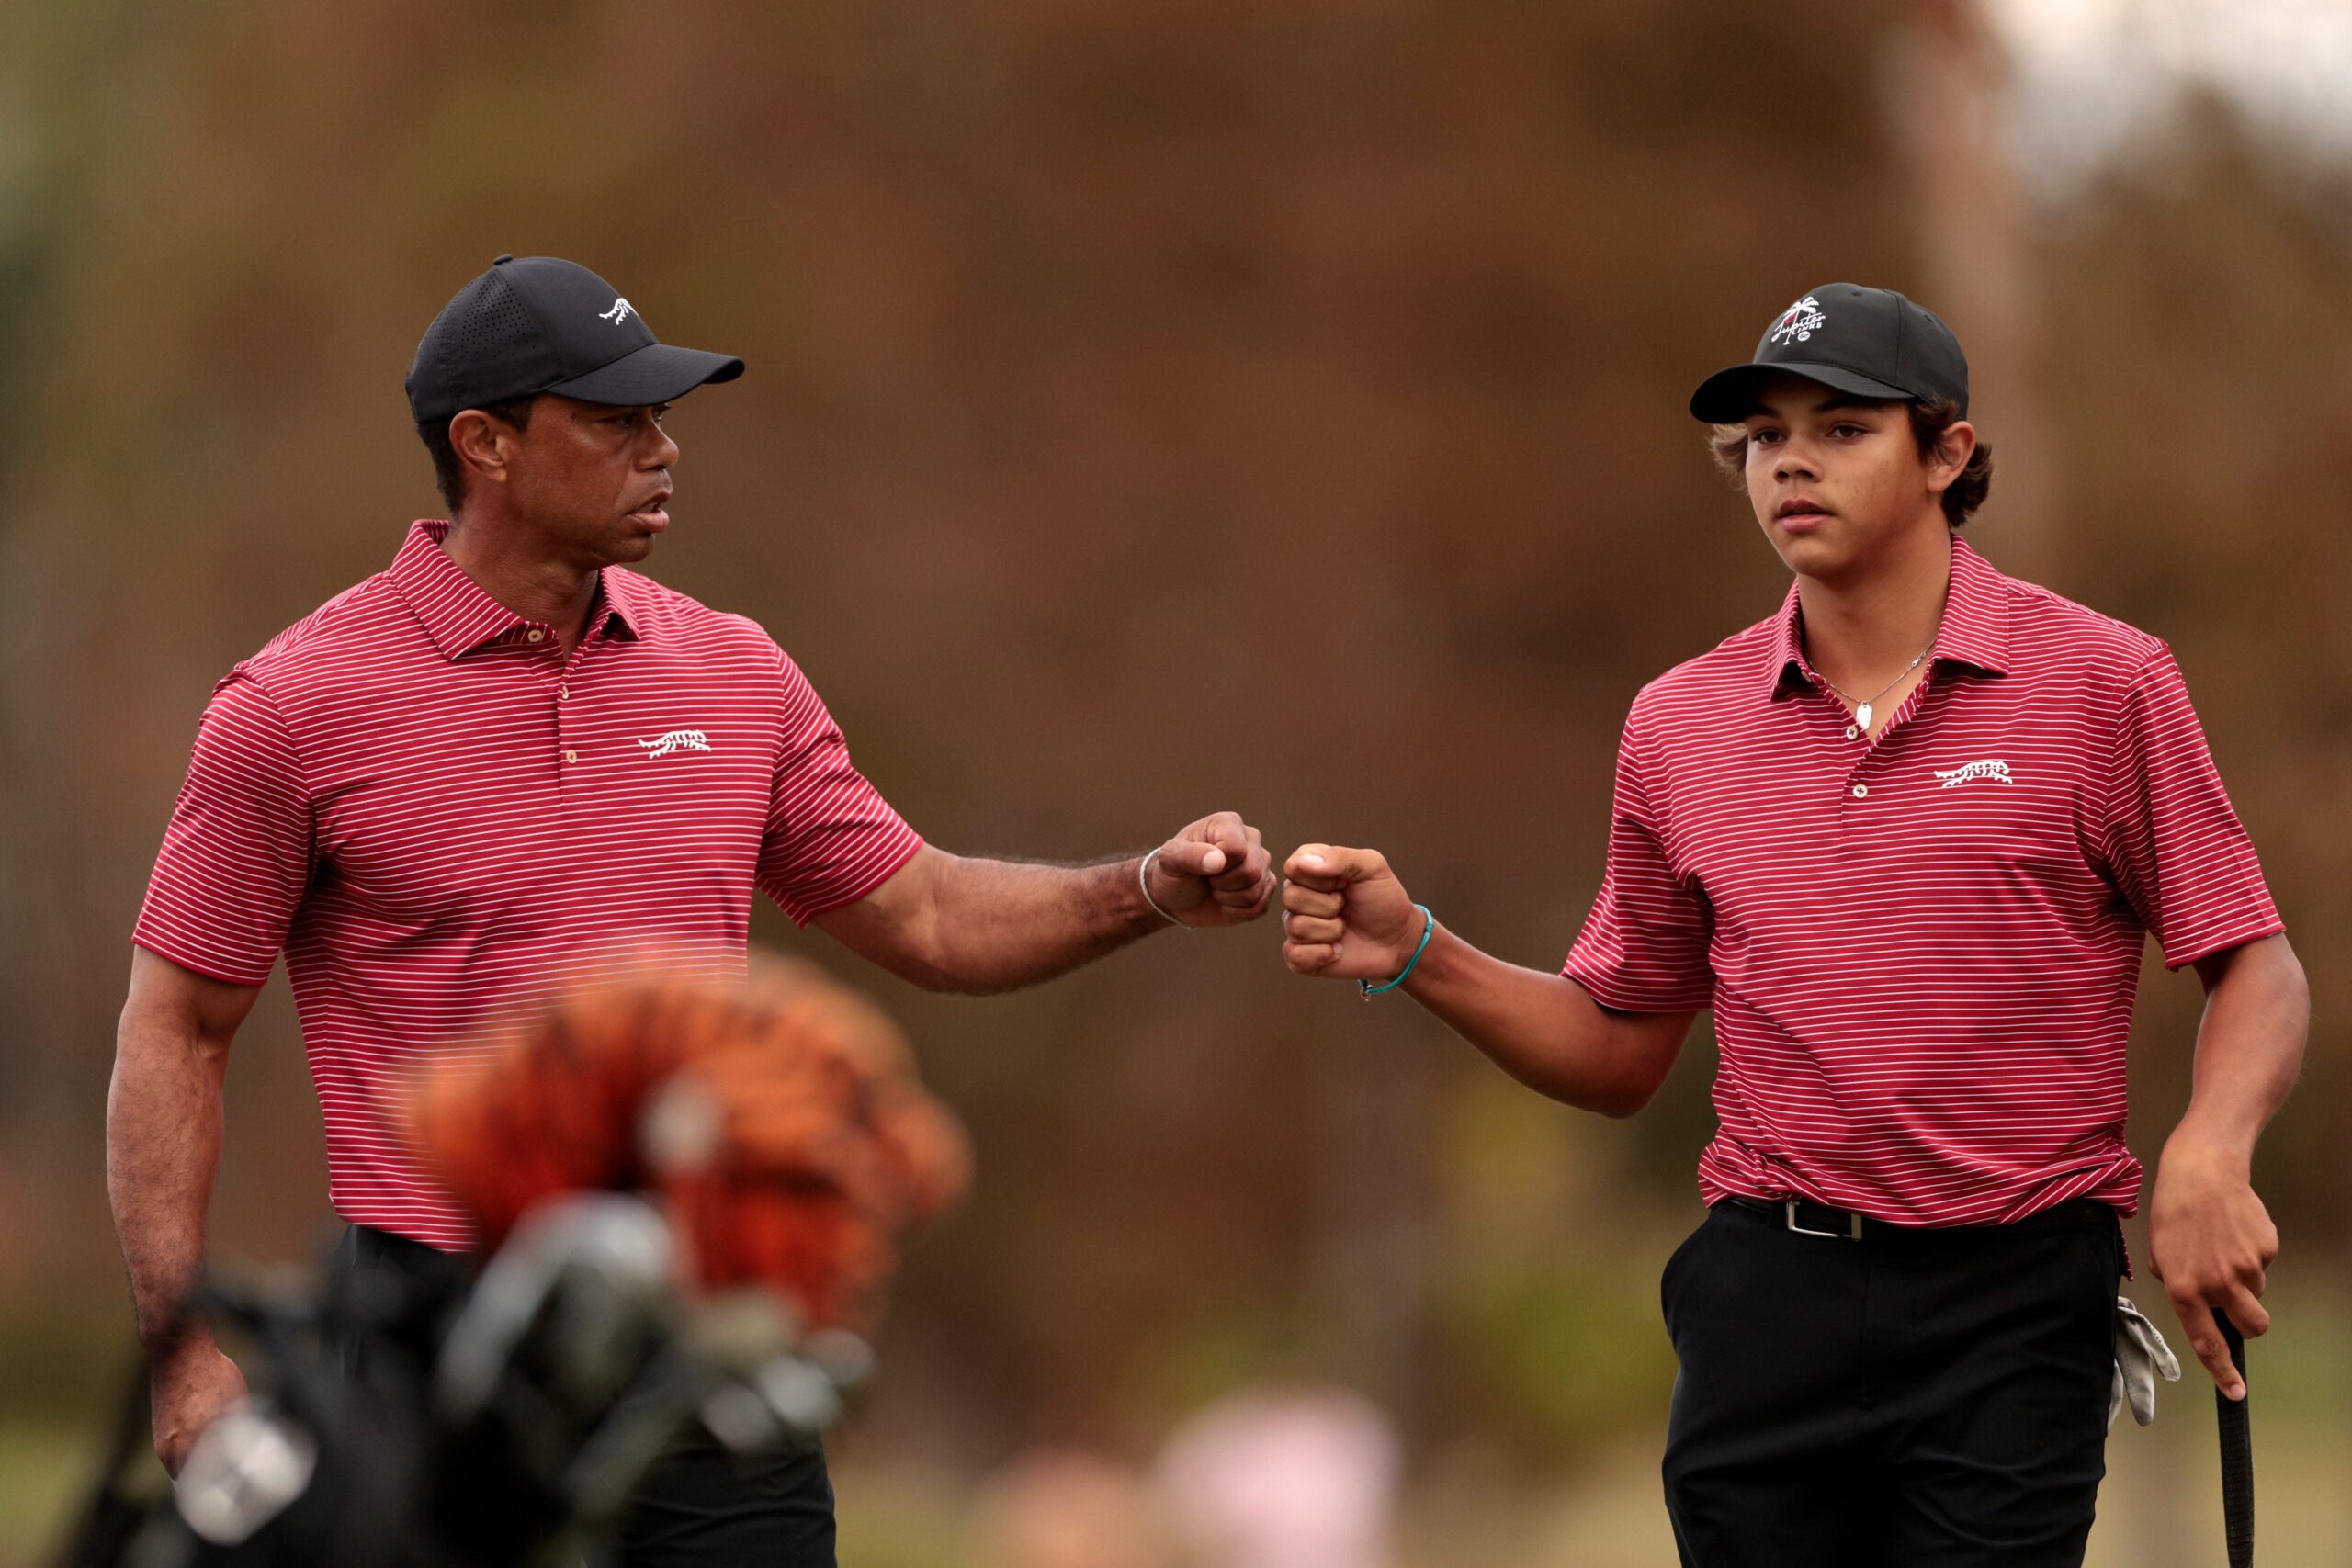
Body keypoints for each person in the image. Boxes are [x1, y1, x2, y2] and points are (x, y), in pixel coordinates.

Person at [107, 254, 1276, 1567]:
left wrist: (1146, 891)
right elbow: (178, 1030)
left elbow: (933, 917)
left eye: (661, 417)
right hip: (429, 1342)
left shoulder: (735, 669)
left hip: (709, 1332)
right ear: (484, 444)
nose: (662, 450)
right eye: (614, 421)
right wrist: (179, 1354)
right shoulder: (293, 707)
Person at [1277, 282, 2306, 1566]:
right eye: (1764, 437)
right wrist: (1419, 951)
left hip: (2013, 1300)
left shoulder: (2104, 683)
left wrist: (2212, 1148)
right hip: (1770, 1291)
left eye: (1842, 427)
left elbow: (2252, 959)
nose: (1792, 463)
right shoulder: (1678, 723)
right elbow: (1618, 1047)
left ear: (1949, 454)